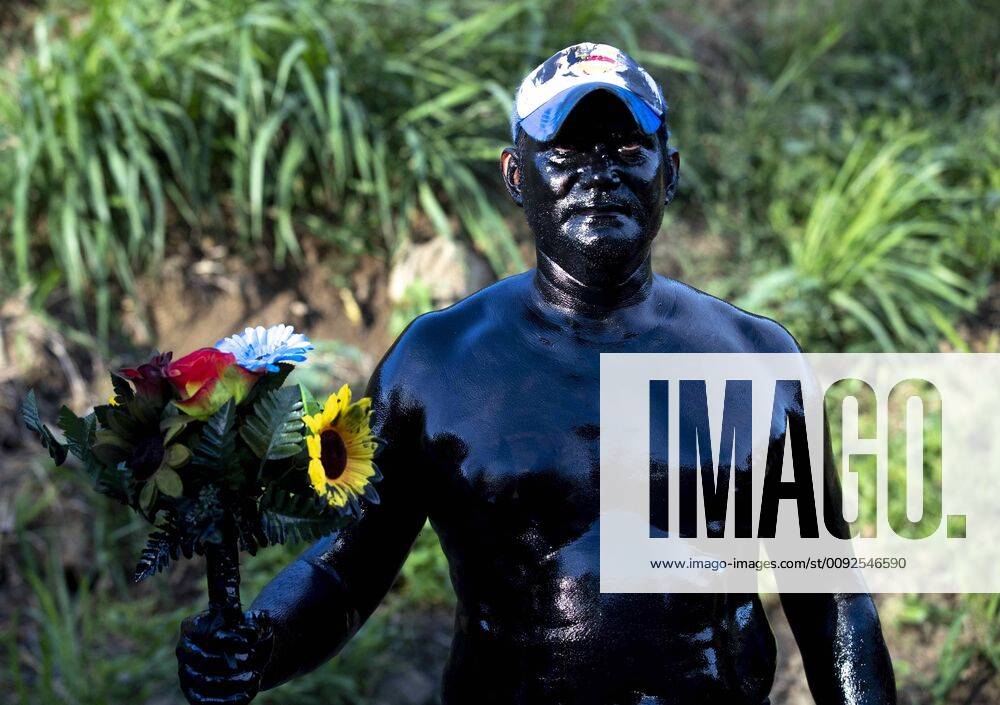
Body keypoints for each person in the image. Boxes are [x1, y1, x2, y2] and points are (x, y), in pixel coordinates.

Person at [176, 43, 897, 705]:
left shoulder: (757, 357)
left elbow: (828, 591)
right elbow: (347, 565)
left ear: (669, 171)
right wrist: (258, 643)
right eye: (567, 150)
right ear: (517, 176)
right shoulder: (438, 363)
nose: (599, 173)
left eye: (625, 147)